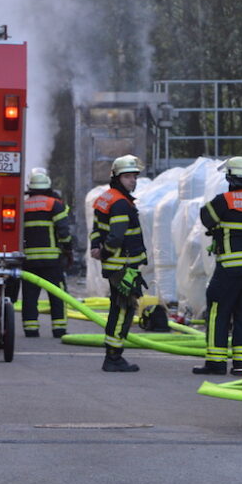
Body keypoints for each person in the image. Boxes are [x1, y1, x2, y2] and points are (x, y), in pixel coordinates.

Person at [193, 157, 242, 375]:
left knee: (218, 310)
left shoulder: (225, 200)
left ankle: (216, 362)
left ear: (230, 177)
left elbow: (206, 218)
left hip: (230, 267)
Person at [90, 154, 148, 372]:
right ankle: (113, 356)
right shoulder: (121, 204)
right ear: (116, 177)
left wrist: (96, 247)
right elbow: (116, 236)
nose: (133, 181)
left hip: (115, 266)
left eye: (134, 176)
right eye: (128, 177)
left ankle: (112, 354)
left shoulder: (105, 198)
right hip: (123, 266)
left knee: (118, 307)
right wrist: (105, 250)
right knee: (124, 309)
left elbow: (96, 231)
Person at [18, 168, 73, 338]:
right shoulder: (54, 204)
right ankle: (59, 329)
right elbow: (63, 231)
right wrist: (68, 250)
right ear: (48, 186)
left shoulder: (23, 205)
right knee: (57, 294)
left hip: (28, 260)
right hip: (51, 260)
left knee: (29, 296)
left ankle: (31, 329)